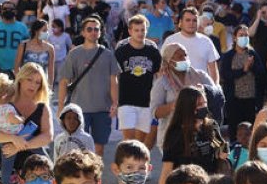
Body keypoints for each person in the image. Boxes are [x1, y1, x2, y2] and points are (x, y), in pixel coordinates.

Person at [59, 16, 121, 156]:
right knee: (78, 147)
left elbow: (114, 81)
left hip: (102, 109)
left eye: (96, 29)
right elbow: (64, 81)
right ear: (83, 33)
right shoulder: (74, 54)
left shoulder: (108, 55)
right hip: (79, 110)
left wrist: (115, 104)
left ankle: (95, 177)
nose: (93, 32)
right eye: (89, 29)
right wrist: (62, 107)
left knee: (99, 148)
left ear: (100, 32)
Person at [159, 86, 229, 184]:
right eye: (199, 104)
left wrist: (224, 150)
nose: (204, 107)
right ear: (188, 107)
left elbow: (221, 146)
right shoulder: (176, 133)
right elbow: (167, 169)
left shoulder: (211, 126)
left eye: (205, 103)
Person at [150, 42, 217, 148]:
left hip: (200, 135)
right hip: (173, 138)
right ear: (169, 61)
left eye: (185, 55)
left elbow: (217, 95)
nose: (184, 58)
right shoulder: (162, 83)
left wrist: (204, 91)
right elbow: (155, 112)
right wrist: (175, 104)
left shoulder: (200, 76)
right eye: (180, 56)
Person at [115, 14, 162, 145]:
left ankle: (137, 165)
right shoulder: (121, 49)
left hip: (147, 101)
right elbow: (115, 76)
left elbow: (158, 74)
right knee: (128, 142)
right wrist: (114, 99)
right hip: (126, 100)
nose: (140, 33)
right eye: (136, 30)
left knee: (140, 143)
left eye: (143, 30)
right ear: (130, 31)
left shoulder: (152, 50)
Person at [220, 24, 267, 140]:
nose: (244, 38)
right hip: (234, 100)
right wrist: (244, 70)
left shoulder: (253, 54)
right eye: (241, 35)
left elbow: (262, 74)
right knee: (234, 129)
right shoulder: (228, 56)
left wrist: (251, 67)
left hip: (251, 100)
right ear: (235, 37)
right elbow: (226, 75)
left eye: (246, 35)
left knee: (251, 130)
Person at [165, 7, 221, 83]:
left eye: (194, 20)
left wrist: (215, 89)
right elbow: (163, 66)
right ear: (180, 23)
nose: (191, 23)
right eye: (188, 20)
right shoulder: (170, 40)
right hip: (175, 88)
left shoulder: (206, 41)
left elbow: (213, 70)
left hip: (201, 89)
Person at [0, 0, 28, 78]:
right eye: (5, 9)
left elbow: (26, 48)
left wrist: (22, 65)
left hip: (17, 68)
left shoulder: (23, 27)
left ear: (15, 11)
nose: (8, 11)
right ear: (1, 11)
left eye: (10, 9)